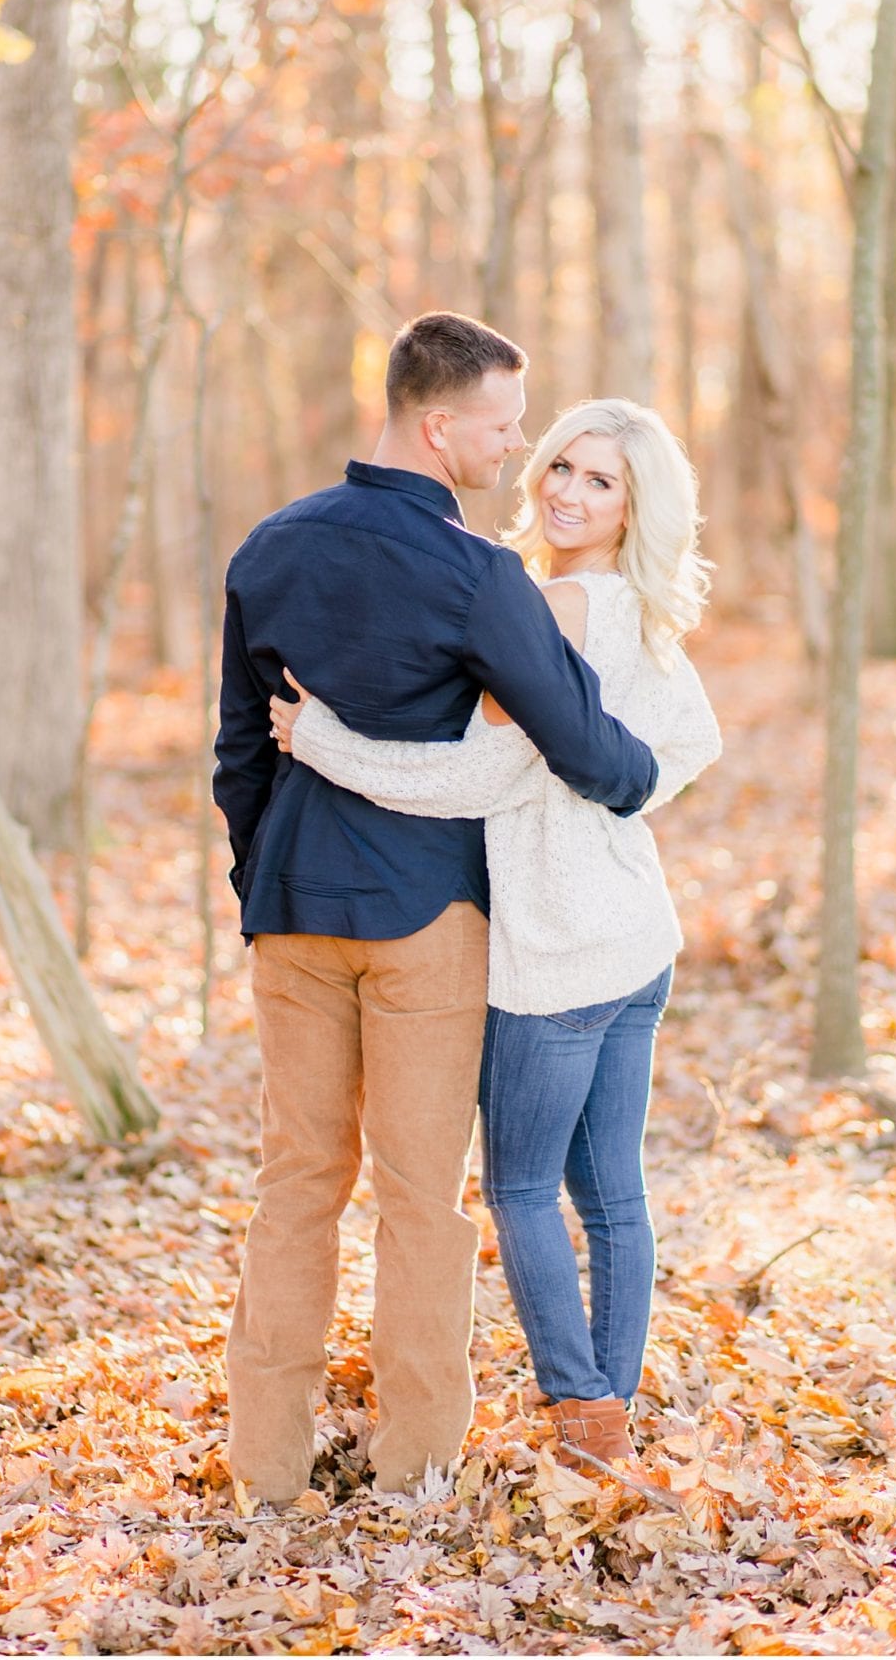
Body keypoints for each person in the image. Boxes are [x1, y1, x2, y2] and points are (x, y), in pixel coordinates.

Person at [213, 316, 659, 1507]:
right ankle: (414, 1467)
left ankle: (264, 1469)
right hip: (424, 920)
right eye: (506, 425)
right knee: (421, 1193)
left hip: (292, 909)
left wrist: (264, 880)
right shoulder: (477, 574)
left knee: (297, 1180)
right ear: (439, 424)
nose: (517, 450)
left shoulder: (270, 549)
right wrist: (642, 772)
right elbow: (579, 742)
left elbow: (237, 756)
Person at [270, 398, 721, 1475]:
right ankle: (607, 1417)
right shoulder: (638, 606)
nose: (567, 488)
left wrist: (324, 740)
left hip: (562, 951)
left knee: (523, 1189)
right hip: (637, 937)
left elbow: (474, 776)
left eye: (600, 480)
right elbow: (688, 740)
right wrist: (619, 788)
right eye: (561, 464)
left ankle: (582, 1412)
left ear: (634, 505)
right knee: (613, 1194)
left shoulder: (554, 603)